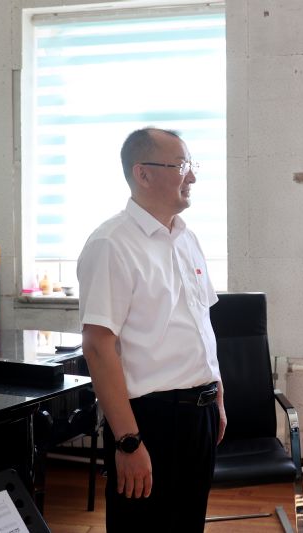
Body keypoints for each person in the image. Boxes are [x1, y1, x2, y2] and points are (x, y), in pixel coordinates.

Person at [77, 127, 226, 532]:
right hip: (150, 420)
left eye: (191, 165)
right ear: (142, 174)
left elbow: (200, 324)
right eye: (181, 166)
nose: (191, 177)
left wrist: (216, 392)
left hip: (199, 414)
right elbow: (98, 347)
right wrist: (128, 441)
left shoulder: (187, 238)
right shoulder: (111, 243)